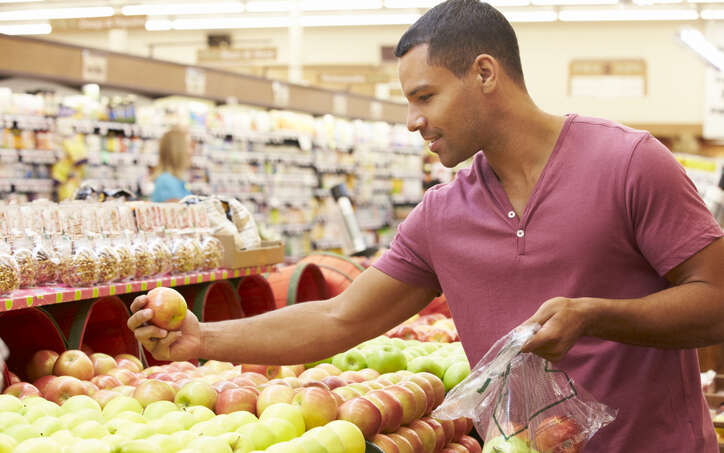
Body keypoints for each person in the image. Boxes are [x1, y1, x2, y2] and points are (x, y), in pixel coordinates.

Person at [129, 1, 724, 450]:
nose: (413, 121)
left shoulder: (628, 163)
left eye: (425, 96)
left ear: (485, 74)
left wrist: (596, 315)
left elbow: (716, 302)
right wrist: (204, 341)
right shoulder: (443, 216)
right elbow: (340, 317)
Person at [150, 127, 192, 202]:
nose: (190, 151)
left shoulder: (174, 179)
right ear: (177, 151)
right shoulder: (167, 181)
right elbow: (178, 211)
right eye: (188, 146)